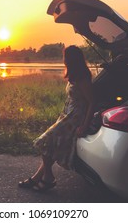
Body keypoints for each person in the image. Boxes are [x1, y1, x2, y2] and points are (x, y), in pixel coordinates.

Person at [18, 45, 95, 192]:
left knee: (45, 141)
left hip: (75, 118)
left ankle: (48, 177)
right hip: (67, 115)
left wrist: (84, 125)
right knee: (51, 145)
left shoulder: (83, 77)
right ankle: (40, 178)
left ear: (71, 59)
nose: (64, 60)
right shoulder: (74, 74)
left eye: (65, 57)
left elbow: (92, 101)